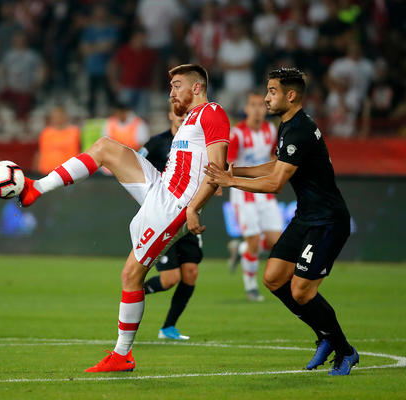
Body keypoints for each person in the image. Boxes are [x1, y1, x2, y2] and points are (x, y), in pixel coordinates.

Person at [19, 64, 229, 372]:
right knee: (105, 146)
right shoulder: (190, 119)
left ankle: (122, 354)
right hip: (161, 187)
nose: (171, 92)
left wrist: (194, 208)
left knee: (131, 275)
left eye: (177, 85)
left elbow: (217, 170)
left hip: (175, 206)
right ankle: (35, 188)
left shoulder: (212, 113)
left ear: (197, 87)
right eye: (170, 86)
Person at [205, 68, 358, 376]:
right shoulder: (288, 125)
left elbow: (275, 183)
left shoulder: (300, 129)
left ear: (290, 95)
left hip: (327, 221)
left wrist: (230, 181)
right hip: (306, 216)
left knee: (301, 291)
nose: (266, 98)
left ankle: (344, 350)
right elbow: (278, 164)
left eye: (272, 92)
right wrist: (237, 171)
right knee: (274, 278)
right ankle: (325, 336)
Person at [139, 103, 201, 341]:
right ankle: (134, 291)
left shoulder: (196, 144)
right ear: (169, 115)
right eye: (178, 112)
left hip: (187, 215)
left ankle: (168, 328)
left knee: (190, 272)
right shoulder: (157, 143)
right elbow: (135, 165)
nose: (183, 116)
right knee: (169, 279)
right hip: (162, 217)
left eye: (187, 113)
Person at [226, 93, 283, 302]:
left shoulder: (271, 130)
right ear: (246, 109)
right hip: (243, 194)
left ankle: (240, 249)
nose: (258, 109)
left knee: (276, 242)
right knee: (254, 242)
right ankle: (251, 288)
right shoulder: (237, 134)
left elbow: (273, 157)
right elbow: (229, 165)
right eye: (253, 105)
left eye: (261, 105)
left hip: (264, 192)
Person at [36, 106, 81, 175]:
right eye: (55, 116)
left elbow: (82, 150)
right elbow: (40, 152)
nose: (57, 119)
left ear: (65, 117)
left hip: (69, 172)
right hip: (47, 172)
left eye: (59, 116)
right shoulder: (45, 133)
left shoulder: (75, 132)